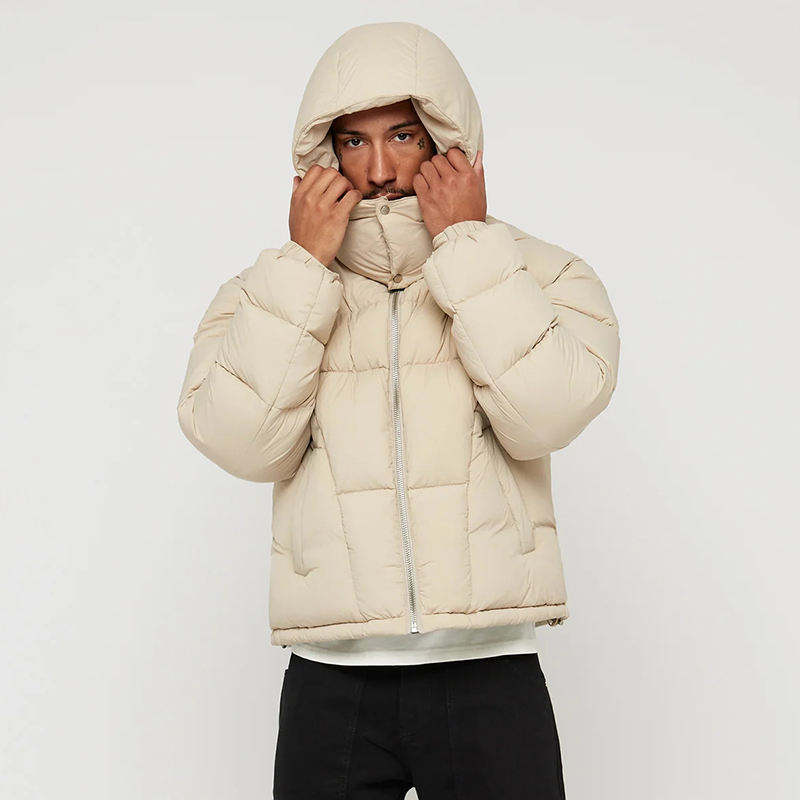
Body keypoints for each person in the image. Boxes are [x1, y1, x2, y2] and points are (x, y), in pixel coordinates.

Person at [177, 20, 620, 800]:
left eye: (404, 136)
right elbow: (244, 444)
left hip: (490, 671)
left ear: (448, 140)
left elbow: (548, 416)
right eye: (353, 141)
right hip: (331, 681)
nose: (379, 170)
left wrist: (468, 247)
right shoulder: (268, 292)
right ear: (322, 154)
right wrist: (304, 268)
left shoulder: (542, 274)